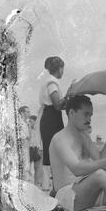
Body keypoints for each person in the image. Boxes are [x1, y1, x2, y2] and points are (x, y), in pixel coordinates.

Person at [38, 56, 67, 190]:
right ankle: (56, 189)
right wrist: (70, 93)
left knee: (55, 152)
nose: (63, 71)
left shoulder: (49, 81)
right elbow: (57, 104)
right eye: (62, 68)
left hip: (50, 117)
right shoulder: (52, 83)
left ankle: (56, 188)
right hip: (51, 118)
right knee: (55, 152)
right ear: (59, 69)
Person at [29, 115, 45, 188]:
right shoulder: (27, 129)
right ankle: (29, 183)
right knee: (28, 167)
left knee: (37, 167)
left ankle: (37, 183)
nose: (31, 123)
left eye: (31, 121)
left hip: (36, 149)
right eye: (30, 121)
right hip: (29, 149)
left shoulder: (38, 130)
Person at [18, 106, 31, 182]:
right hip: (21, 143)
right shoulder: (19, 122)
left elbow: (29, 137)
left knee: (26, 163)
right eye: (27, 112)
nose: (29, 113)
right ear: (22, 113)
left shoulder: (26, 123)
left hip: (26, 143)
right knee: (23, 163)